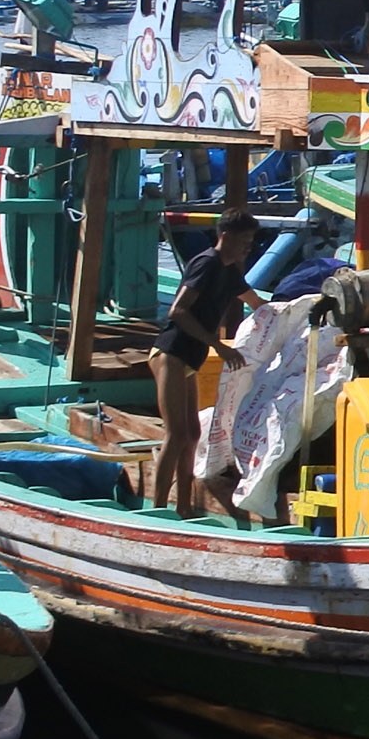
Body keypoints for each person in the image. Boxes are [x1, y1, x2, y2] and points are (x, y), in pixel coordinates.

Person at [151, 213, 264, 516]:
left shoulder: (230, 272)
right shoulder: (207, 263)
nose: (248, 247)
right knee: (175, 434)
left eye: (251, 242)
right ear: (225, 235)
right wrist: (217, 346)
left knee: (192, 435)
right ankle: (157, 509)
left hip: (190, 359)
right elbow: (178, 311)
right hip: (171, 353)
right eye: (244, 241)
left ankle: (185, 507)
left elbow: (257, 304)